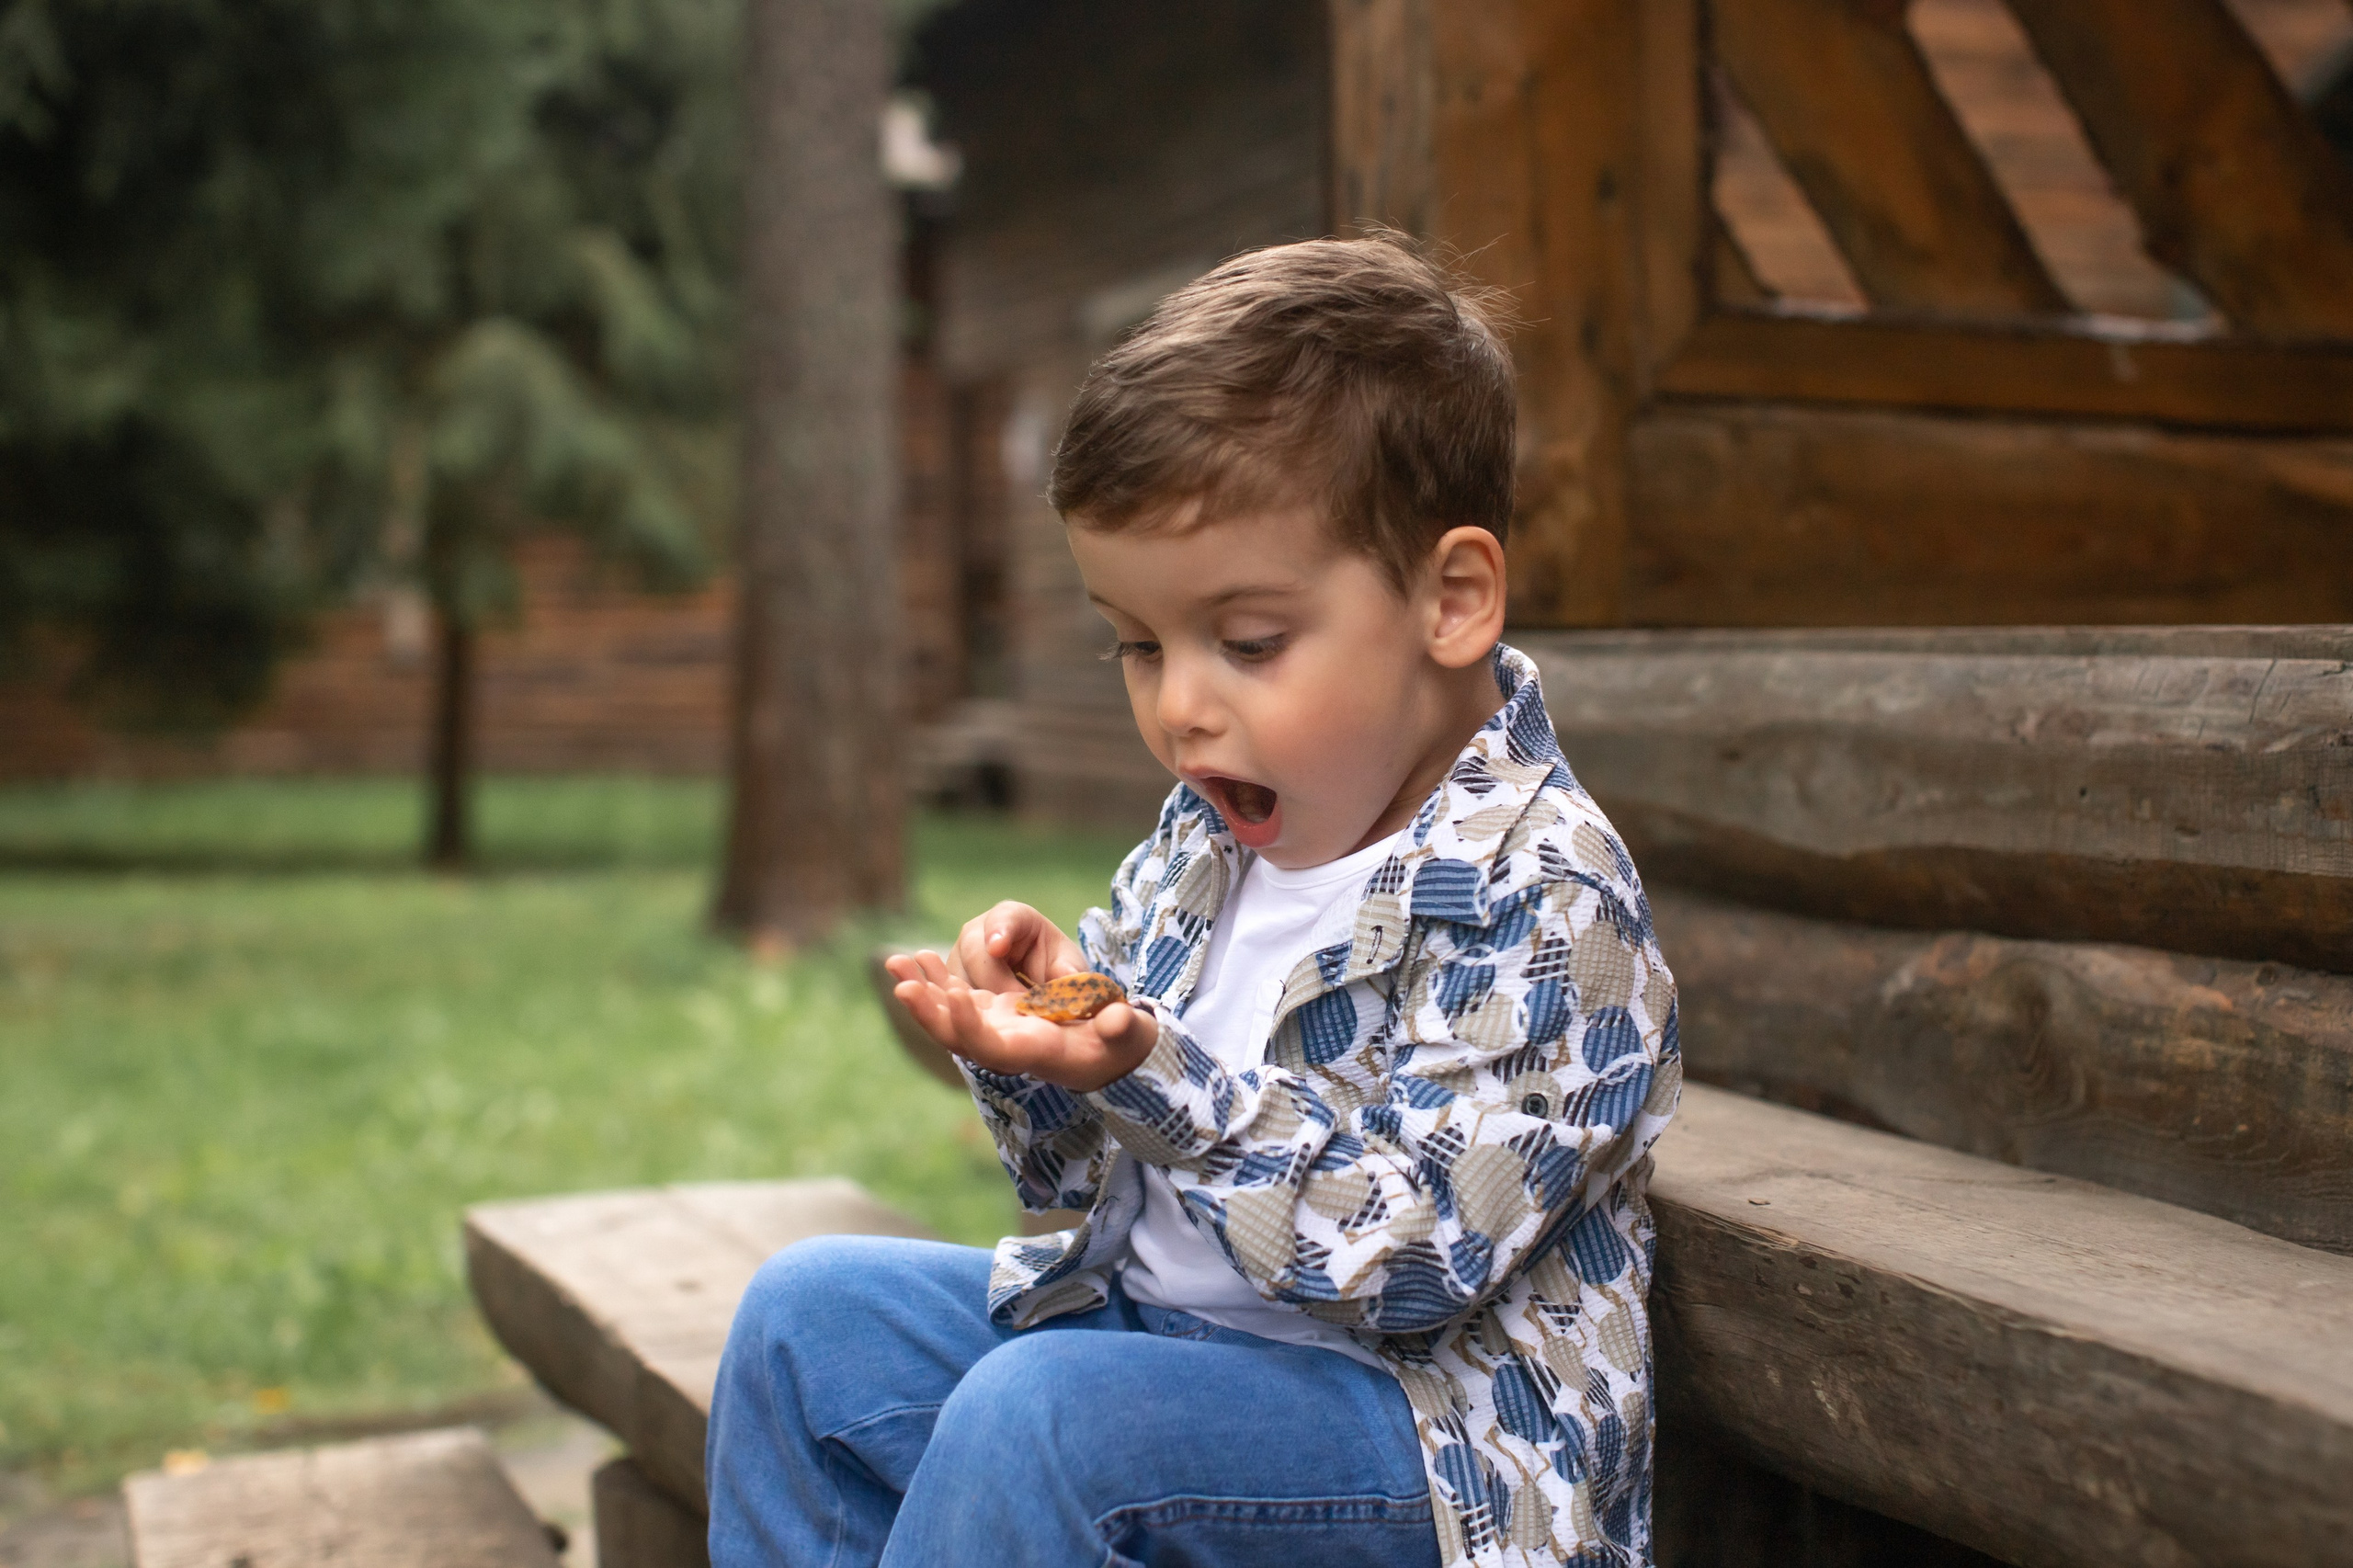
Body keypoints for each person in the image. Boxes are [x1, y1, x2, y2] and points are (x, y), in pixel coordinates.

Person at [706, 233, 1681, 1568]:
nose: (1179, 706)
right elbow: (1078, 1181)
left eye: (1249, 642)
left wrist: (1160, 1070)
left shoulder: (1546, 894)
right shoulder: (1208, 837)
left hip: (1430, 1452)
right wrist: (1042, 1051)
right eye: (1138, 643)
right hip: (1160, 1355)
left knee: (1043, 1420)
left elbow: (1410, 1260)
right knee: (805, 1323)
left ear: (1451, 598)